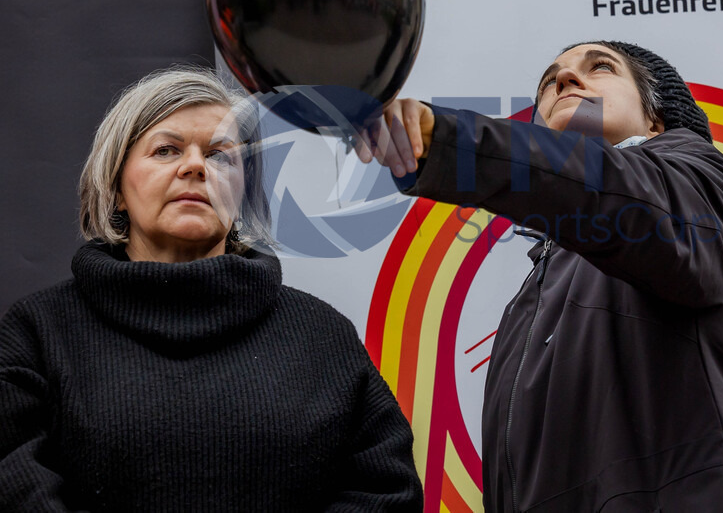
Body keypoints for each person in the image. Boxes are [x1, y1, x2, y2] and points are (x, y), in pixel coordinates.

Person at [360, 41, 723, 511]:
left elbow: (616, 192)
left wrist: (451, 142)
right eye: (551, 81)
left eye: (600, 67)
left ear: (655, 119)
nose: (565, 81)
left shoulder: (697, 176)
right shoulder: (533, 295)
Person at [0, 67, 423, 511]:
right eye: (166, 150)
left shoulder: (321, 337)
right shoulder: (37, 333)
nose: (196, 167)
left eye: (222, 156)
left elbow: (386, 491)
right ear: (116, 187)